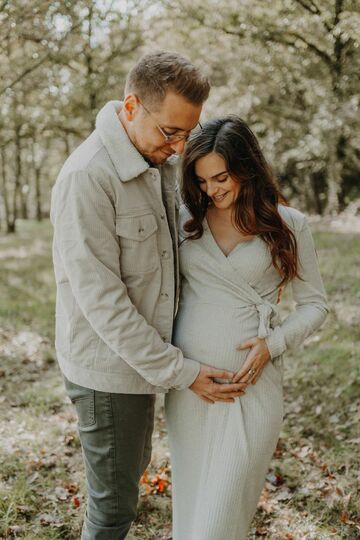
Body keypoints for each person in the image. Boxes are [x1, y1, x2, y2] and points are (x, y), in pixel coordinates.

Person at [50, 53, 246, 539]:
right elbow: (105, 305)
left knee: (128, 476)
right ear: (132, 105)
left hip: (141, 365)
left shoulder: (150, 156)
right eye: (171, 133)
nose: (180, 149)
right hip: (108, 372)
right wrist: (182, 372)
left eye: (188, 134)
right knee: (112, 510)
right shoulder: (88, 178)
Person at [165, 115, 329, 539]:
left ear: (246, 167)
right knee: (192, 509)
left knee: (222, 519)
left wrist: (272, 345)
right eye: (201, 182)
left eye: (221, 177)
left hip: (251, 387)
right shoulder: (186, 221)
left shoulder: (288, 224)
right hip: (191, 387)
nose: (212, 190)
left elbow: (315, 305)